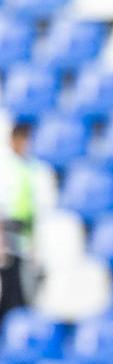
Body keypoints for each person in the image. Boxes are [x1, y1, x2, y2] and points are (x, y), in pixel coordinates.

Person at [0, 120, 57, 323]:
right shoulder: (5, 167)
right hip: (9, 228)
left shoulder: (35, 167)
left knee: (24, 281)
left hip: (26, 230)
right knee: (10, 279)